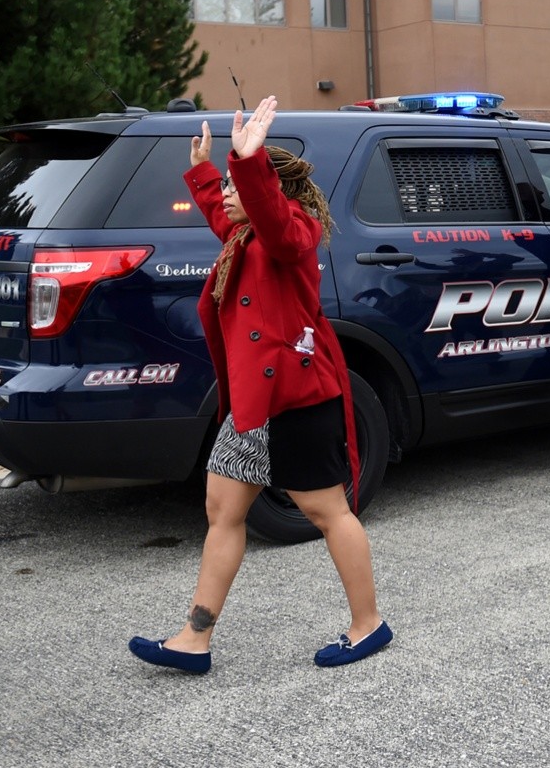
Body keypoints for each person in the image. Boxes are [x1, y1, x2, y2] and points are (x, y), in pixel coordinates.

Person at [130, 97, 389, 673]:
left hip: (297, 399)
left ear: (266, 191)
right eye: (223, 183)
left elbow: (271, 219)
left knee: (328, 514)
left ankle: (368, 624)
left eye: (234, 183)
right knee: (222, 511)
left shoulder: (292, 232)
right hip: (251, 407)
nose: (226, 193)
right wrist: (202, 170)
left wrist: (249, 165)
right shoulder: (244, 238)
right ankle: (194, 638)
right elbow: (229, 217)